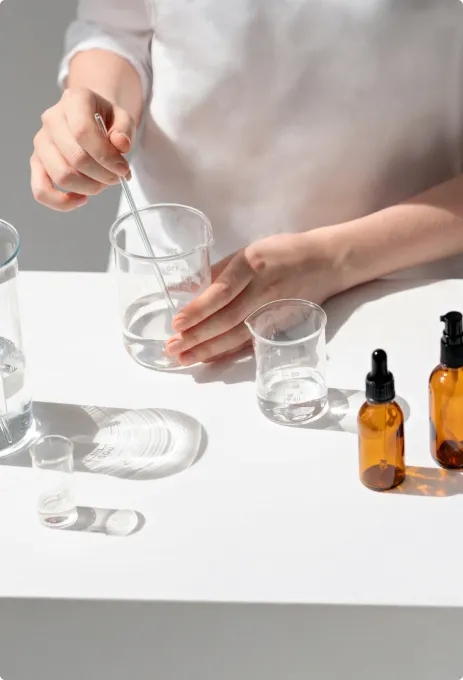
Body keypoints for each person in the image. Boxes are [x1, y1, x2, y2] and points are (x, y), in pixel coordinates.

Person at [31, 0, 463, 366]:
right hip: (174, 296)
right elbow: (117, 27)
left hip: (397, 293)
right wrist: (94, 107)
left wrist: (332, 259)